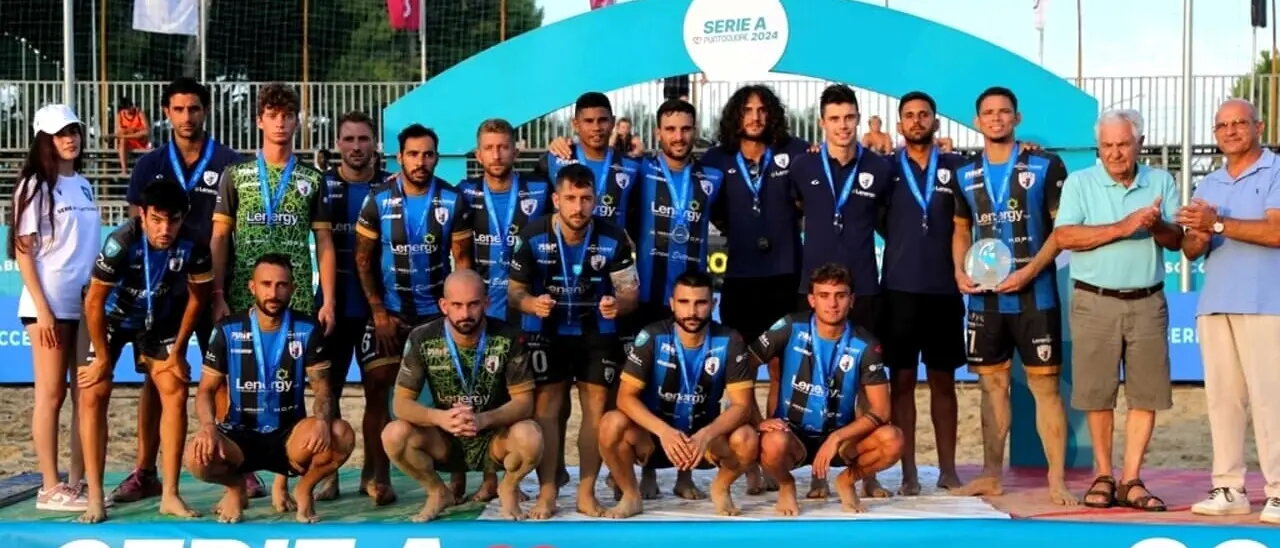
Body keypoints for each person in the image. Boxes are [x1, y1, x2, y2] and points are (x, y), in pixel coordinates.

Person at [115, 77, 242, 504]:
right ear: (166, 112)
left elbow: (233, 228)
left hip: (213, 285)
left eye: (194, 108)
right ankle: (145, 471)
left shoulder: (229, 161)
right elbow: (139, 227)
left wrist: (221, 290)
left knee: (221, 377)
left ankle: (233, 466)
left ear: (206, 111)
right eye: (179, 109)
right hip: (159, 291)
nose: (187, 116)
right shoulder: (148, 163)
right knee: (157, 381)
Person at [945, 86, 1073, 505]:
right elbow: (961, 229)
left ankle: (1056, 480)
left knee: (1046, 389)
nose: (996, 118)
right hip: (985, 301)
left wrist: (1030, 271)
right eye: (988, 113)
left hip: (1036, 296)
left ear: (1016, 118)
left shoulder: (1045, 164)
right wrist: (959, 271)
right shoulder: (965, 173)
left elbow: (1061, 232)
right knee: (991, 388)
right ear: (977, 121)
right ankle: (990, 475)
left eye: (1004, 112)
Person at [211, 83, 337, 500]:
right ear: (259, 120)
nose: (281, 123)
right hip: (245, 296)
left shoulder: (310, 179)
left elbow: (323, 243)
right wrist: (217, 292)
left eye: (288, 115)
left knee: (293, 385)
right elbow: (219, 240)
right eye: (273, 115)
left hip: (294, 297)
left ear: (297, 121)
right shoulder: (237, 175)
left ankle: (285, 477)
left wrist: (329, 298)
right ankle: (241, 471)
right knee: (238, 381)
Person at [1054, 108, 1182, 511]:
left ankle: (1132, 479)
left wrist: (1157, 224)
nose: (1115, 153)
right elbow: (1066, 236)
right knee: (1097, 394)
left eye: (1123, 144)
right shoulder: (1079, 183)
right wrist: (1123, 227)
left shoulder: (1161, 181)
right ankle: (1104, 475)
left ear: (1138, 143)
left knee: (1145, 394)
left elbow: (1178, 241)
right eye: (1107, 145)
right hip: (1094, 300)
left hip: (1148, 300)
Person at [508, 163, 640, 519]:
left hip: (597, 331)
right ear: (556, 199)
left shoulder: (614, 237)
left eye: (585, 198)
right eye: (570, 198)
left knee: (596, 411)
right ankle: (548, 492)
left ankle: (585, 492)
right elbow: (514, 292)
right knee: (547, 410)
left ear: (595, 199)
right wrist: (531, 303)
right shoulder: (532, 235)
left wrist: (619, 303)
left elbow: (630, 293)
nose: (578, 207)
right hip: (547, 330)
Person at [76, 181, 212, 523]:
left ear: (185, 217)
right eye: (157, 220)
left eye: (174, 220)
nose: (165, 230)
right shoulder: (121, 242)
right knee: (94, 390)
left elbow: (199, 297)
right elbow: (93, 301)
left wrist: (179, 350)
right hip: (109, 319)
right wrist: (104, 360)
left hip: (156, 320)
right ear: (142, 215)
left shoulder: (194, 243)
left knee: (176, 390)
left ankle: (170, 494)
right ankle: (95, 498)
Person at [185, 254, 354, 524]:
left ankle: (304, 489)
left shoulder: (307, 328)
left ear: (293, 288)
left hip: (289, 437)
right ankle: (236, 487)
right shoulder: (227, 330)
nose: (273, 293)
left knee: (340, 434)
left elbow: (322, 389)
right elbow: (205, 390)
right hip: (239, 435)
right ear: (252, 287)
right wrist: (208, 426)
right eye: (266, 284)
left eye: (281, 285)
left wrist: (322, 421)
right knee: (196, 455)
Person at [354, 123, 473, 504]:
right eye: (413, 154)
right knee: (377, 391)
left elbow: (463, 263)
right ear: (398, 157)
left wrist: (453, 318)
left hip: (436, 318)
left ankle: (458, 474)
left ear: (437, 157)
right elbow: (362, 260)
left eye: (428, 154)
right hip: (390, 315)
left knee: (452, 394)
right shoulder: (377, 200)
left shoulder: (453, 200)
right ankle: (378, 475)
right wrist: (378, 313)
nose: (421, 162)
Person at [699, 84, 809, 494]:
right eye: (748, 110)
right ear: (736, 116)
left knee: (782, 368)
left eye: (763, 110)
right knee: (743, 372)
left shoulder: (795, 152)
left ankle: (772, 455)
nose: (756, 117)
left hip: (785, 276)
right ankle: (749, 465)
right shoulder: (716, 159)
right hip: (742, 278)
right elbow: (710, 211)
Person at [1178, 98, 1280, 523]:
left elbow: (1276, 231)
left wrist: (1216, 225)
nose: (1231, 131)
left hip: (1267, 303)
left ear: (1258, 126)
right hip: (1216, 302)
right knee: (1223, 401)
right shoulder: (1209, 184)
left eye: (1239, 123)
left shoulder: (1275, 170)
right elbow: (1190, 249)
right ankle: (1229, 486)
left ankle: (1278, 490)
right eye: (1222, 126)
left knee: (1272, 399)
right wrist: (1198, 236)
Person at [382, 270, 543, 522]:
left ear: (486, 303)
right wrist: (441, 418)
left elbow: (525, 402)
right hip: (445, 439)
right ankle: (436, 492)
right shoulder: (422, 337)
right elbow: (400, 404)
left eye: (473, 304)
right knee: (393, 435)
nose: (465, 314)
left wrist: (484, 419)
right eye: (456, 305)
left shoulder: (508, 336)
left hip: (494, 438)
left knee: (530, 436)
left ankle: (508, 486)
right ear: (443, 305)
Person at [600, 270, 759, 518]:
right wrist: (663, 431)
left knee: (747, 437)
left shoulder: (729, 339)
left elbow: (742, 406)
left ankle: (721, 486)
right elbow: (625, 398)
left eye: (701, 303)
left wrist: (705, 435)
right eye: (684, 302)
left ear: (713, 304)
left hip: (703, 442)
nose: (692, 312)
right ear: (672, 304)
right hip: (655, 439)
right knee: (611, 423)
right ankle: (631, 495)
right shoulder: (652, 336)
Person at [750, 264, 904, 516]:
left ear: (851, 300)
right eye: (824, 296)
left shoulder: (865, 344)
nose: (832, 304)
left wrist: (837, 438)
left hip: (842, 438)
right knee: (773, 443)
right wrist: (759, 421)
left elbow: (881, 411)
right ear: (812, 300)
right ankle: (786, 485)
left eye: (840, 296)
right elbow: (742, 368)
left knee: (893, 439)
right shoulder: (790, 326)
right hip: (792, 435)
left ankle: (847, 480)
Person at [877, 91, 968, 495]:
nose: (917, 121)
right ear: (899, 125)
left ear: (935, 122)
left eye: (924, 115)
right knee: (901, 384)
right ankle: (909, 471)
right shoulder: (883, 170)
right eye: (909, 116)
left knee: (944, 384)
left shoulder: (957, 168)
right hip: (898, 292)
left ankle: (948, 469)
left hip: (944, 292)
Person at [10, 104, 98, 512]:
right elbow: (24, 253)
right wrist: (43, 310)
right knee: (51, 395)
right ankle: (49, 485)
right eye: (60, 133)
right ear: (44, 138)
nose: (70, 138)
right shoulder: (33, 186)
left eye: (74, 131)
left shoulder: (83, 184)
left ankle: (78, 482)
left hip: (85, 307)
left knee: (86, 396)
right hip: (49, 306)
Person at [314, 111, 393, 502]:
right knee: (327, 391)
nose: (356, 147)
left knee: (379, 392)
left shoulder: (389, 189)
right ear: (338, 144)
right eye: (349, 139)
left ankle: (374, 472)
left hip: (376, 310)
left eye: (364, 139)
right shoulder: (321, 187)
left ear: (374, 144)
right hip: (330, 307)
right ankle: (328, 471)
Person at [629, 99, 725, 329]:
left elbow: (731, 222)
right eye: (670, 129)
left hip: (694, 301)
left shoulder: (713, 178)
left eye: (685, 129)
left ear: (695, 131)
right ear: (658, 133)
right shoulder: (638, 170)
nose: (679, 137)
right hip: (647, 298)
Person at [460, 118, 553, 326]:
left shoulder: (540, 189)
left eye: (503, 147)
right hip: (481, 312)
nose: (496, 155)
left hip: (531, 309)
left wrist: (563, 145)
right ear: (478, 155)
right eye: (489, 148)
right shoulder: (465, 192)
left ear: (515, 152)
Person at [545, 92, 644, 232]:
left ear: (613, 122)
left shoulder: (632, 166)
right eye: (588, 121)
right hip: (564, 251)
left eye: (602, 120)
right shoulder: (555, 158)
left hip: (612, 251)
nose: (596, 127)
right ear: (575, 124)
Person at [113, 97, 150, 174]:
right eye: (125, 109)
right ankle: (124, 170)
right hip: (128, 142)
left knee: (142, 133)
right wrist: (130, 131)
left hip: (140, 140)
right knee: (122, 139)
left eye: (128, 108)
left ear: (132, 106)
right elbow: (119, 131)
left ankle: (125, 137)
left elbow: (146, 131)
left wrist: (133, 130)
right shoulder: (120, 115)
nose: (127, 111)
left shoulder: (139, 113)